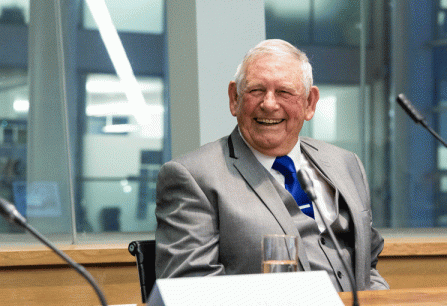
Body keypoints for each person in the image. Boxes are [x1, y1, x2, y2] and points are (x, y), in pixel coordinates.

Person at [155, 39, 389, 291]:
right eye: (256, 90)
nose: (269, 103)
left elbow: (367, 266)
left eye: (284, 92)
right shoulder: (193, 177)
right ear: (234, 98)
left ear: (310, 102)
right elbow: (190, 288)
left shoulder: (345, 163)